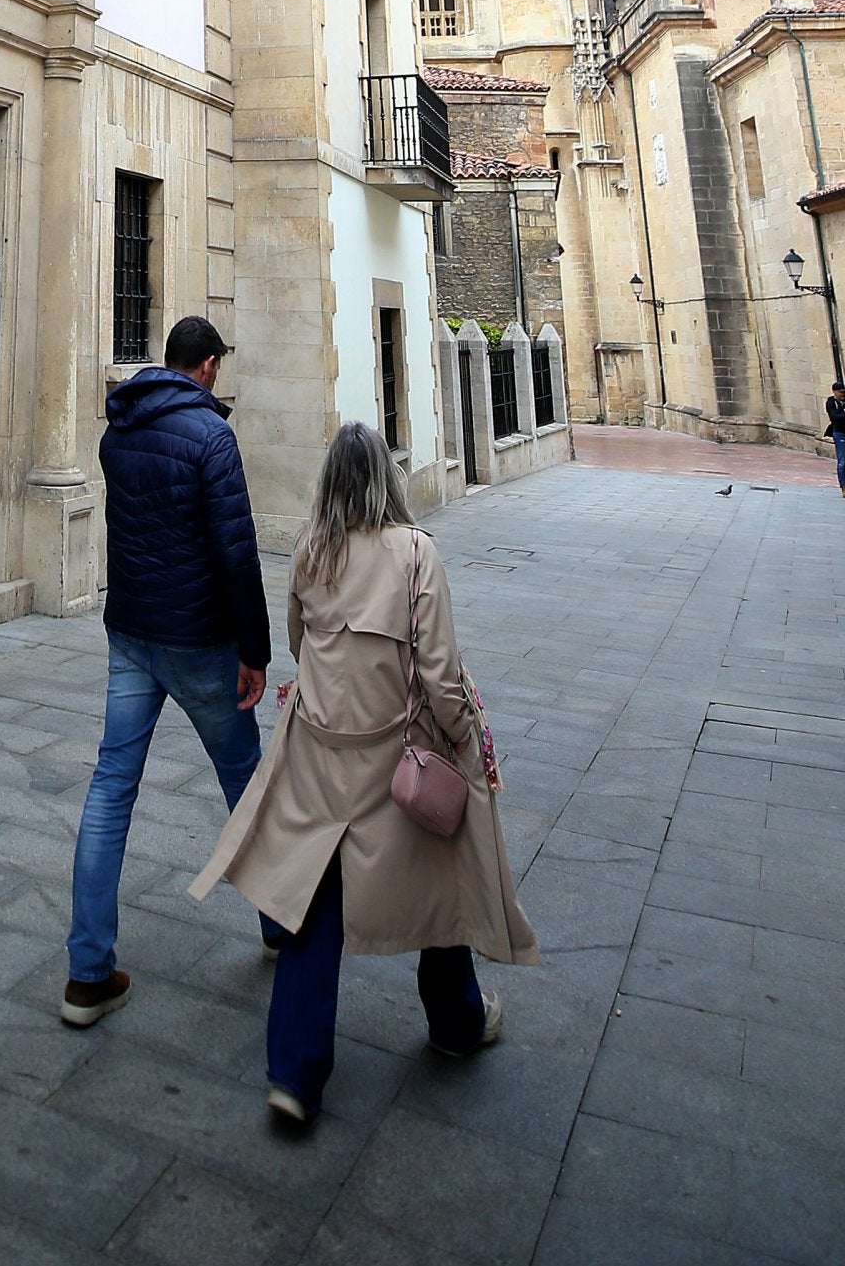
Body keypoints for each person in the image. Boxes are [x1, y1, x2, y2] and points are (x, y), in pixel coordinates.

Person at [190, 422, 538, 1125]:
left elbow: (297, 642)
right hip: (394, 756)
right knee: (443, 874)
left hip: (320, 758)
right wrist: (467, 739)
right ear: (388, 478)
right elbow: (440, 672)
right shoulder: (415, 553)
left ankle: (292, 1072)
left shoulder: (311, 553)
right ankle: (457, 1020)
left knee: (312, 906)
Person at [62, 314, 274, 1028]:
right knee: (248, 783)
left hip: (131, 632)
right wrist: (256, 650)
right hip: (199, 639)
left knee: (109, 787)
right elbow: (237, 553)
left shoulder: (118, 430)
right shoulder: (213, 437)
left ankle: (87, 971)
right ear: (209, 365)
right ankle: (283, 926)